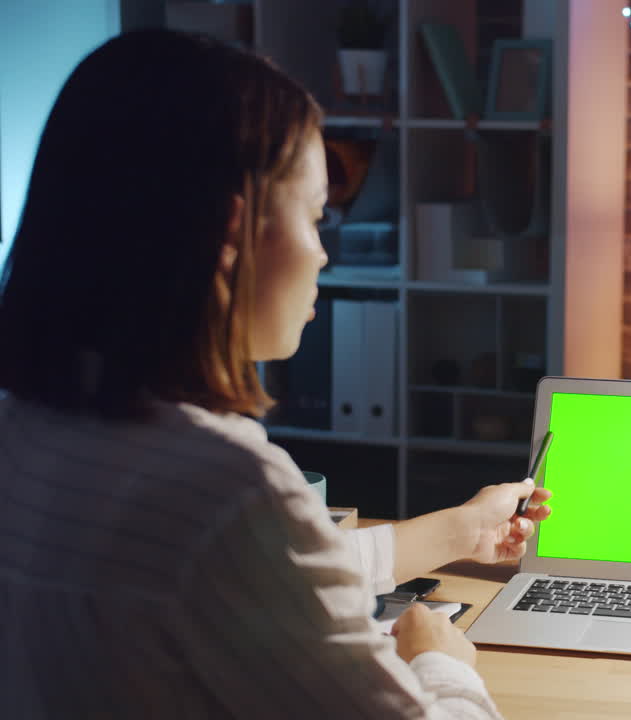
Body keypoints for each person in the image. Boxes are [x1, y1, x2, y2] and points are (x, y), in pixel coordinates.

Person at [0, 29, 550, 717]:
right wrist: (441, 663)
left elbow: (243, 580)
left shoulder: (29, 426)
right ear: (233, 233)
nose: (322, 254)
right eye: (316, 216)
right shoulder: (222, 488)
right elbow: (239, 552)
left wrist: (458, 531)